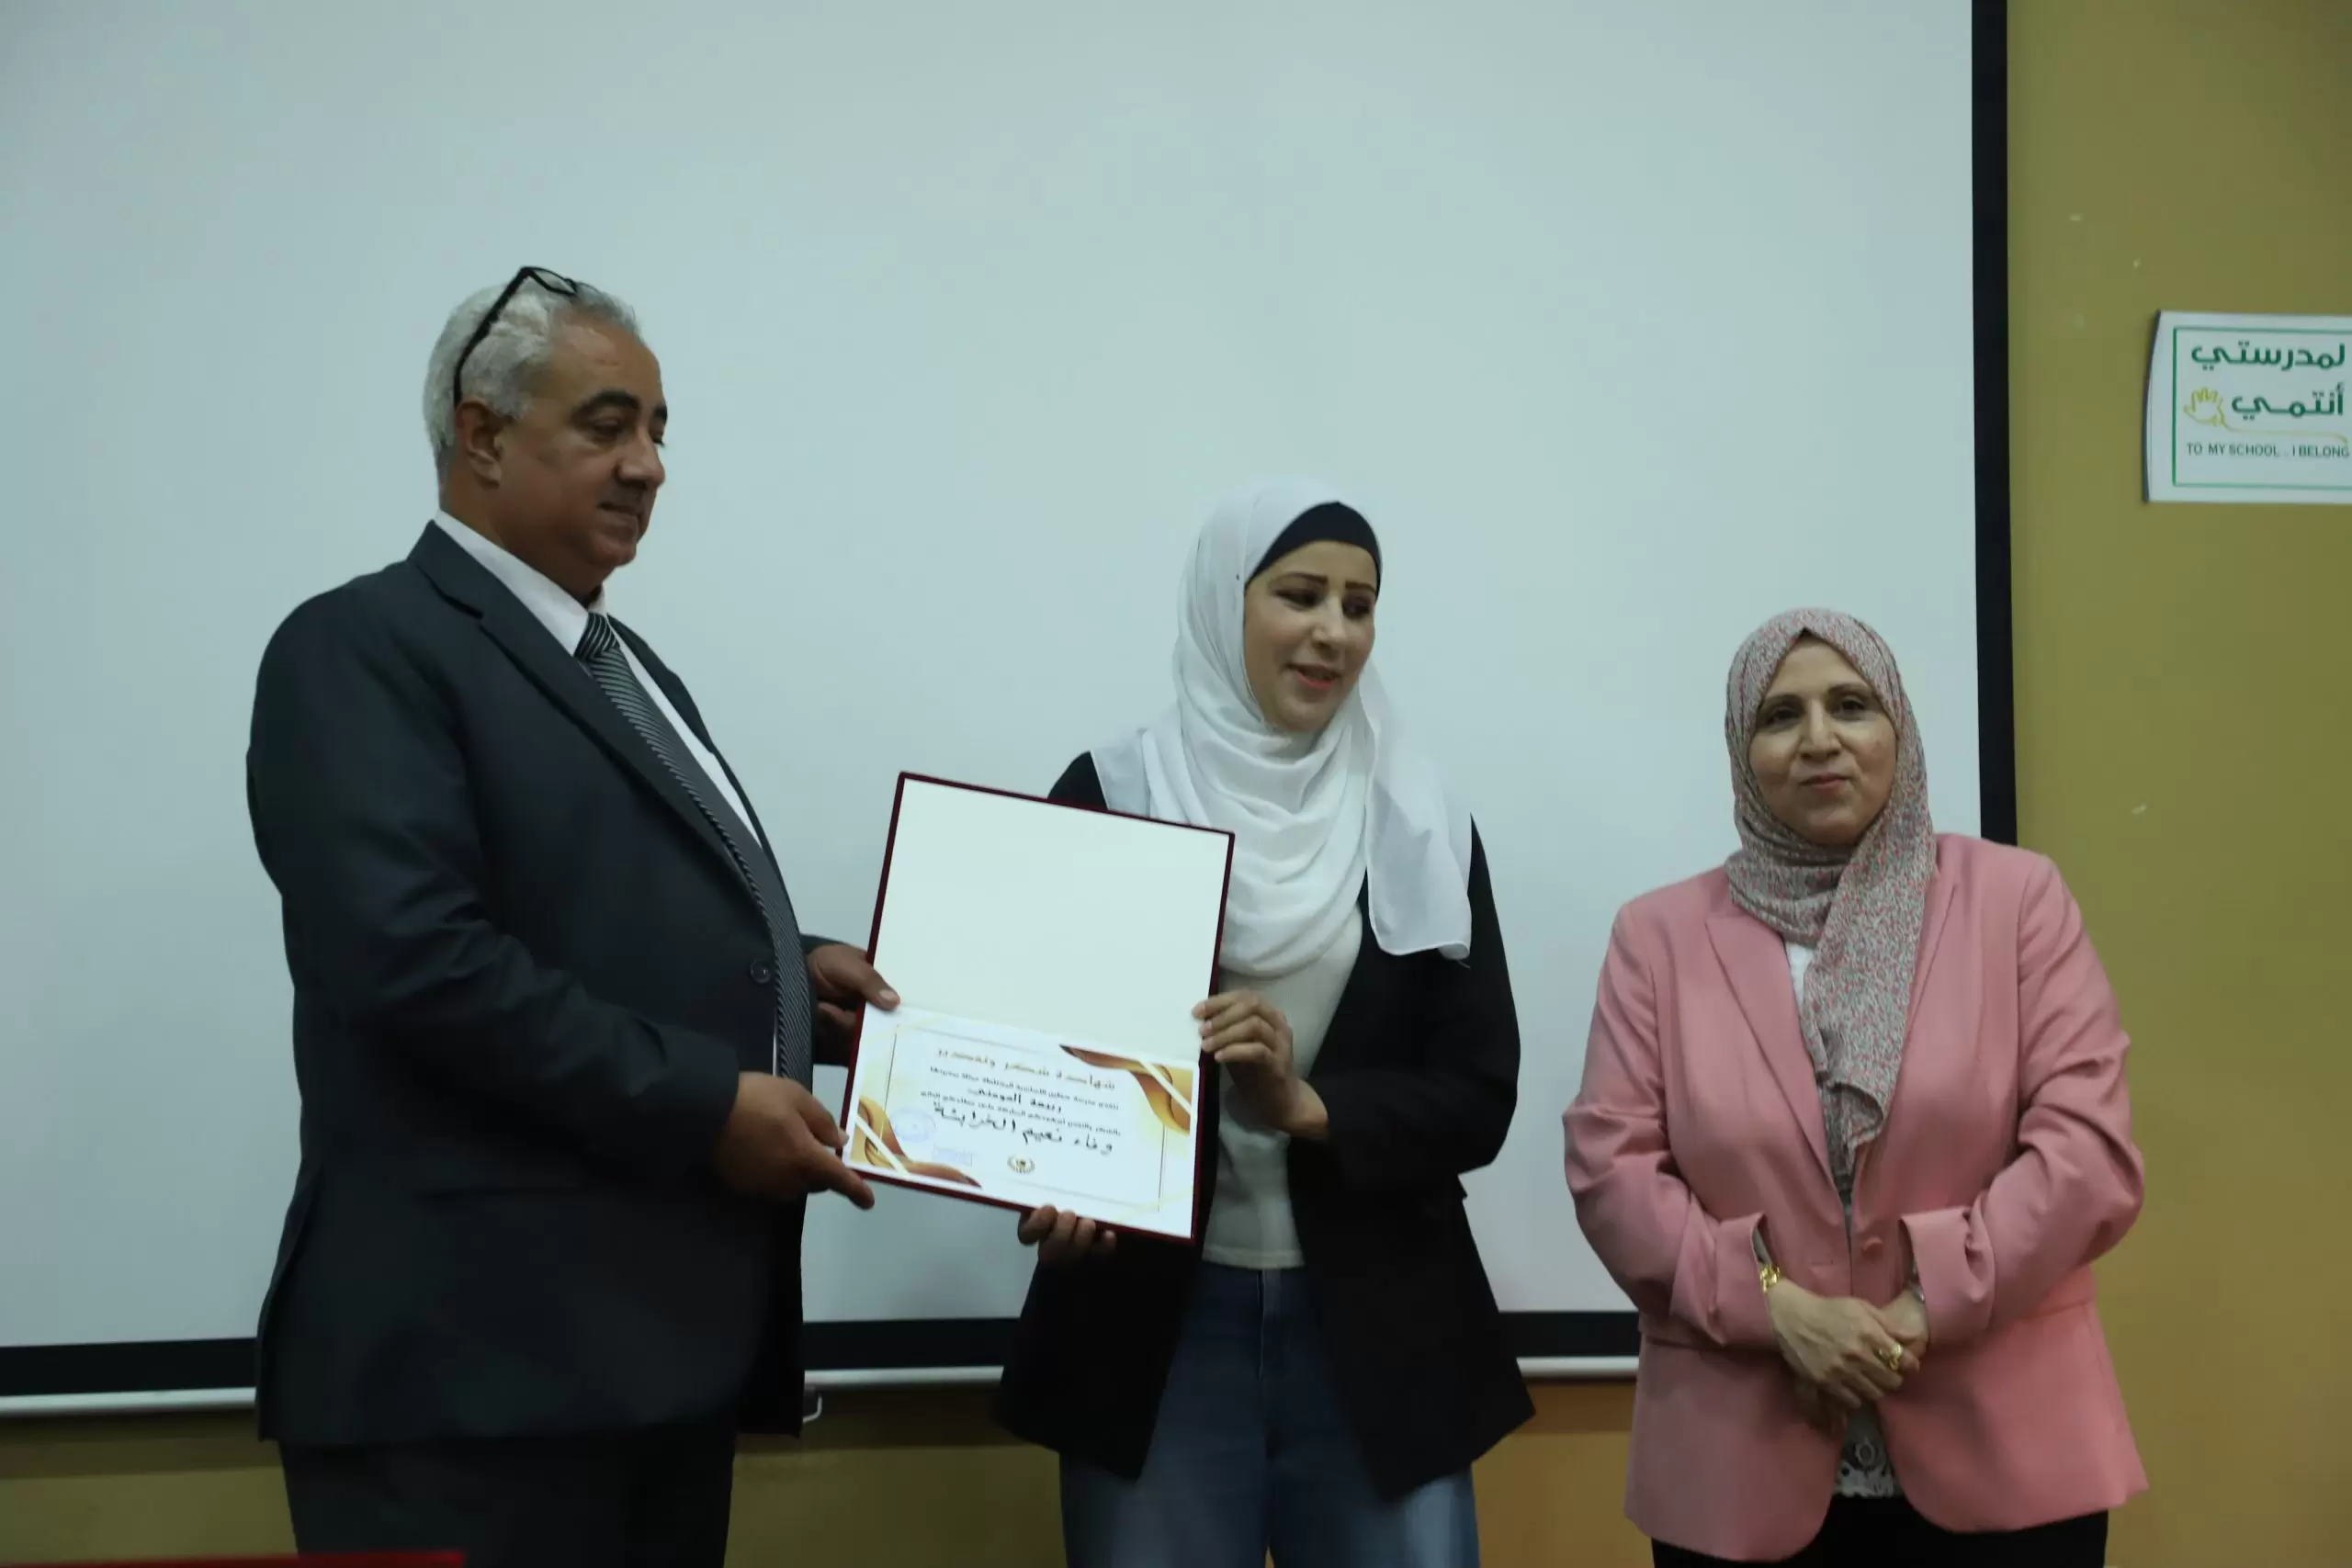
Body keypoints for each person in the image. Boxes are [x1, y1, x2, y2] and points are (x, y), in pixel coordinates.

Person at [243, 265, 896, 1568]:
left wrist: (789, 977)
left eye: (657, 431)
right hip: (471, 1387)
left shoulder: (626, 667)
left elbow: (602, 911)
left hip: (648, 1370)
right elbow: (416, 963)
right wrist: (706, 1102)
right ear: (481, 433)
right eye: (607, 426)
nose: (648, 465)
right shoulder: (361, 645)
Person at [991, 479, 1533, 1568]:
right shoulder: (1114, 791)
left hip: (1382, 1333)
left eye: (1359, 605)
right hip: (1150, 1335)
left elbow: (1478, 1092)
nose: (1333, 630)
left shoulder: (1421, 817)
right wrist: (1046, 1173)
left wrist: (1308, 1106)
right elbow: (1031, 1057)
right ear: (1222, 601)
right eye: (1299, 594)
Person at [1563, 609, 2146, 1566]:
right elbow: (1611, 1173)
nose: (1818, 739)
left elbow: (2087, 1155)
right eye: (1779, 715)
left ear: (1898, 727)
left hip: (2009, 1459)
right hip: (1738, 1466)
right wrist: (1771, 1304)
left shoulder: (2016, 902)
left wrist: (1924, 1305)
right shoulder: (1657, 937)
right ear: (1741, 747)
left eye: (1850, 705)